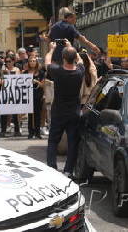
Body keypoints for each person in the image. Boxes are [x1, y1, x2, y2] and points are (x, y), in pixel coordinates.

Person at [45, 40, 84, 177]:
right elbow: (80, 60)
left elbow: (47, 62)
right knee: (73, 142)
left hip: (58, 112)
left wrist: (51, 49)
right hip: (74, 113)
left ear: (63, 58)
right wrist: (69, 46)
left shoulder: (58, 71)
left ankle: (52, 168)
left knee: (53, 141)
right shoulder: (80, 72)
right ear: (74, 58)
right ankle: (68, 170)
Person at [23, 56, 45, 139]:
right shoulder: (25, 73)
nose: (32, 62)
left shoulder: (41, 72)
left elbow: (43, 85)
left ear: (36, 62)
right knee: (30, 115)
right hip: (28, 95)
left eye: (34, 61)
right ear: (28, 62)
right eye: (30, 61)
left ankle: (37, 132)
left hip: (38, 95)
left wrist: (36, 81)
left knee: (38, 114)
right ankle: (30, 132)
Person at [0, 55, 21, 137]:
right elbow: (0, 80)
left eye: (9, 61)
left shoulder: (17, 69)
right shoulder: (3, 70)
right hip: (5, 93)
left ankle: (17, 130)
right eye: (6, 62)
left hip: (14, 93)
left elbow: (18, 79)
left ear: (13, 61)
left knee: (15, 113)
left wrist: (9, 74)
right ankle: (3, 130)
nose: (8, 63)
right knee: (4, 113)